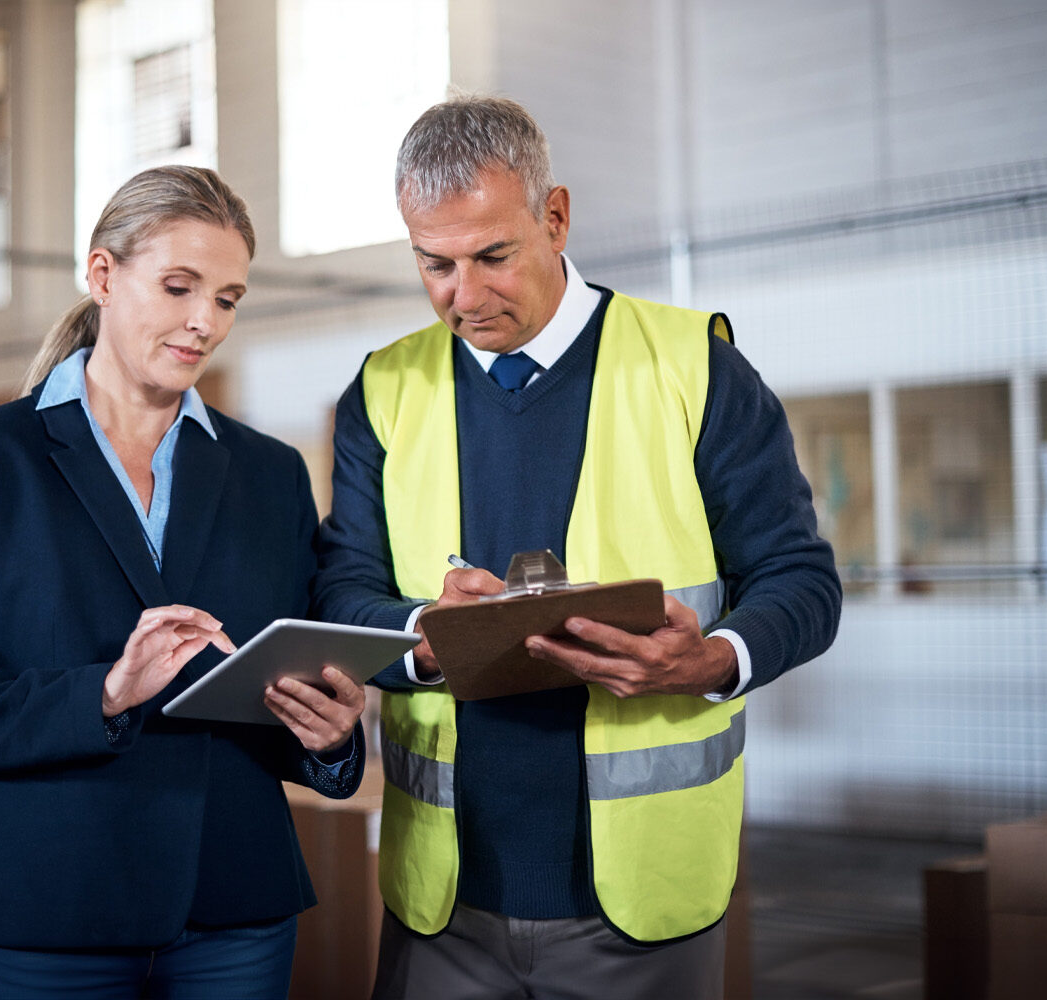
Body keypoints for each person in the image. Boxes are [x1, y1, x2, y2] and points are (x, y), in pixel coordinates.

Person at [316, 96, 842, 999]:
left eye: (492, 256)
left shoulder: (693, 366)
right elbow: (343, 592)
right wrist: (427, 636)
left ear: (555, 217)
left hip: (643, 907)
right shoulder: (381, 391)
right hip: (443, 899)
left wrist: (711, 658)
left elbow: (802, 580)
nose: (463, 295)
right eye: (433, 264)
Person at [0, 165, 367, 999]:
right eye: (180, 287)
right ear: (102, 275)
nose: (204, 322)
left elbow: (284, 677)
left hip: (235, 905)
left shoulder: (270, 474)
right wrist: (103, 693)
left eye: (228, 298)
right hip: (49, 905)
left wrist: (330, 740)